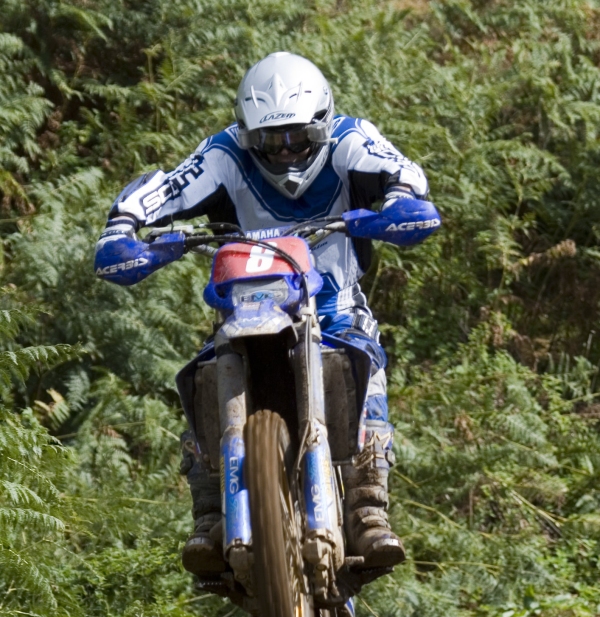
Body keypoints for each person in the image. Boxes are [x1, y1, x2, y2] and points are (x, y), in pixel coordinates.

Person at [95, 52, 430, 581]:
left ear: (321, 122)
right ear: (249, 135)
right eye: (271, 142)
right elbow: (169, 187)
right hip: (247, 310)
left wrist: (403, 203)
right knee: (204, 372)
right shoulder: (225, 152)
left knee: (366, 360)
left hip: (333, 307)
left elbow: (402, 172)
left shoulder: (350, 139)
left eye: (298, 138)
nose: (287, 152)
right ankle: (209, 509)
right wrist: (123, 225)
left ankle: (368, 502)